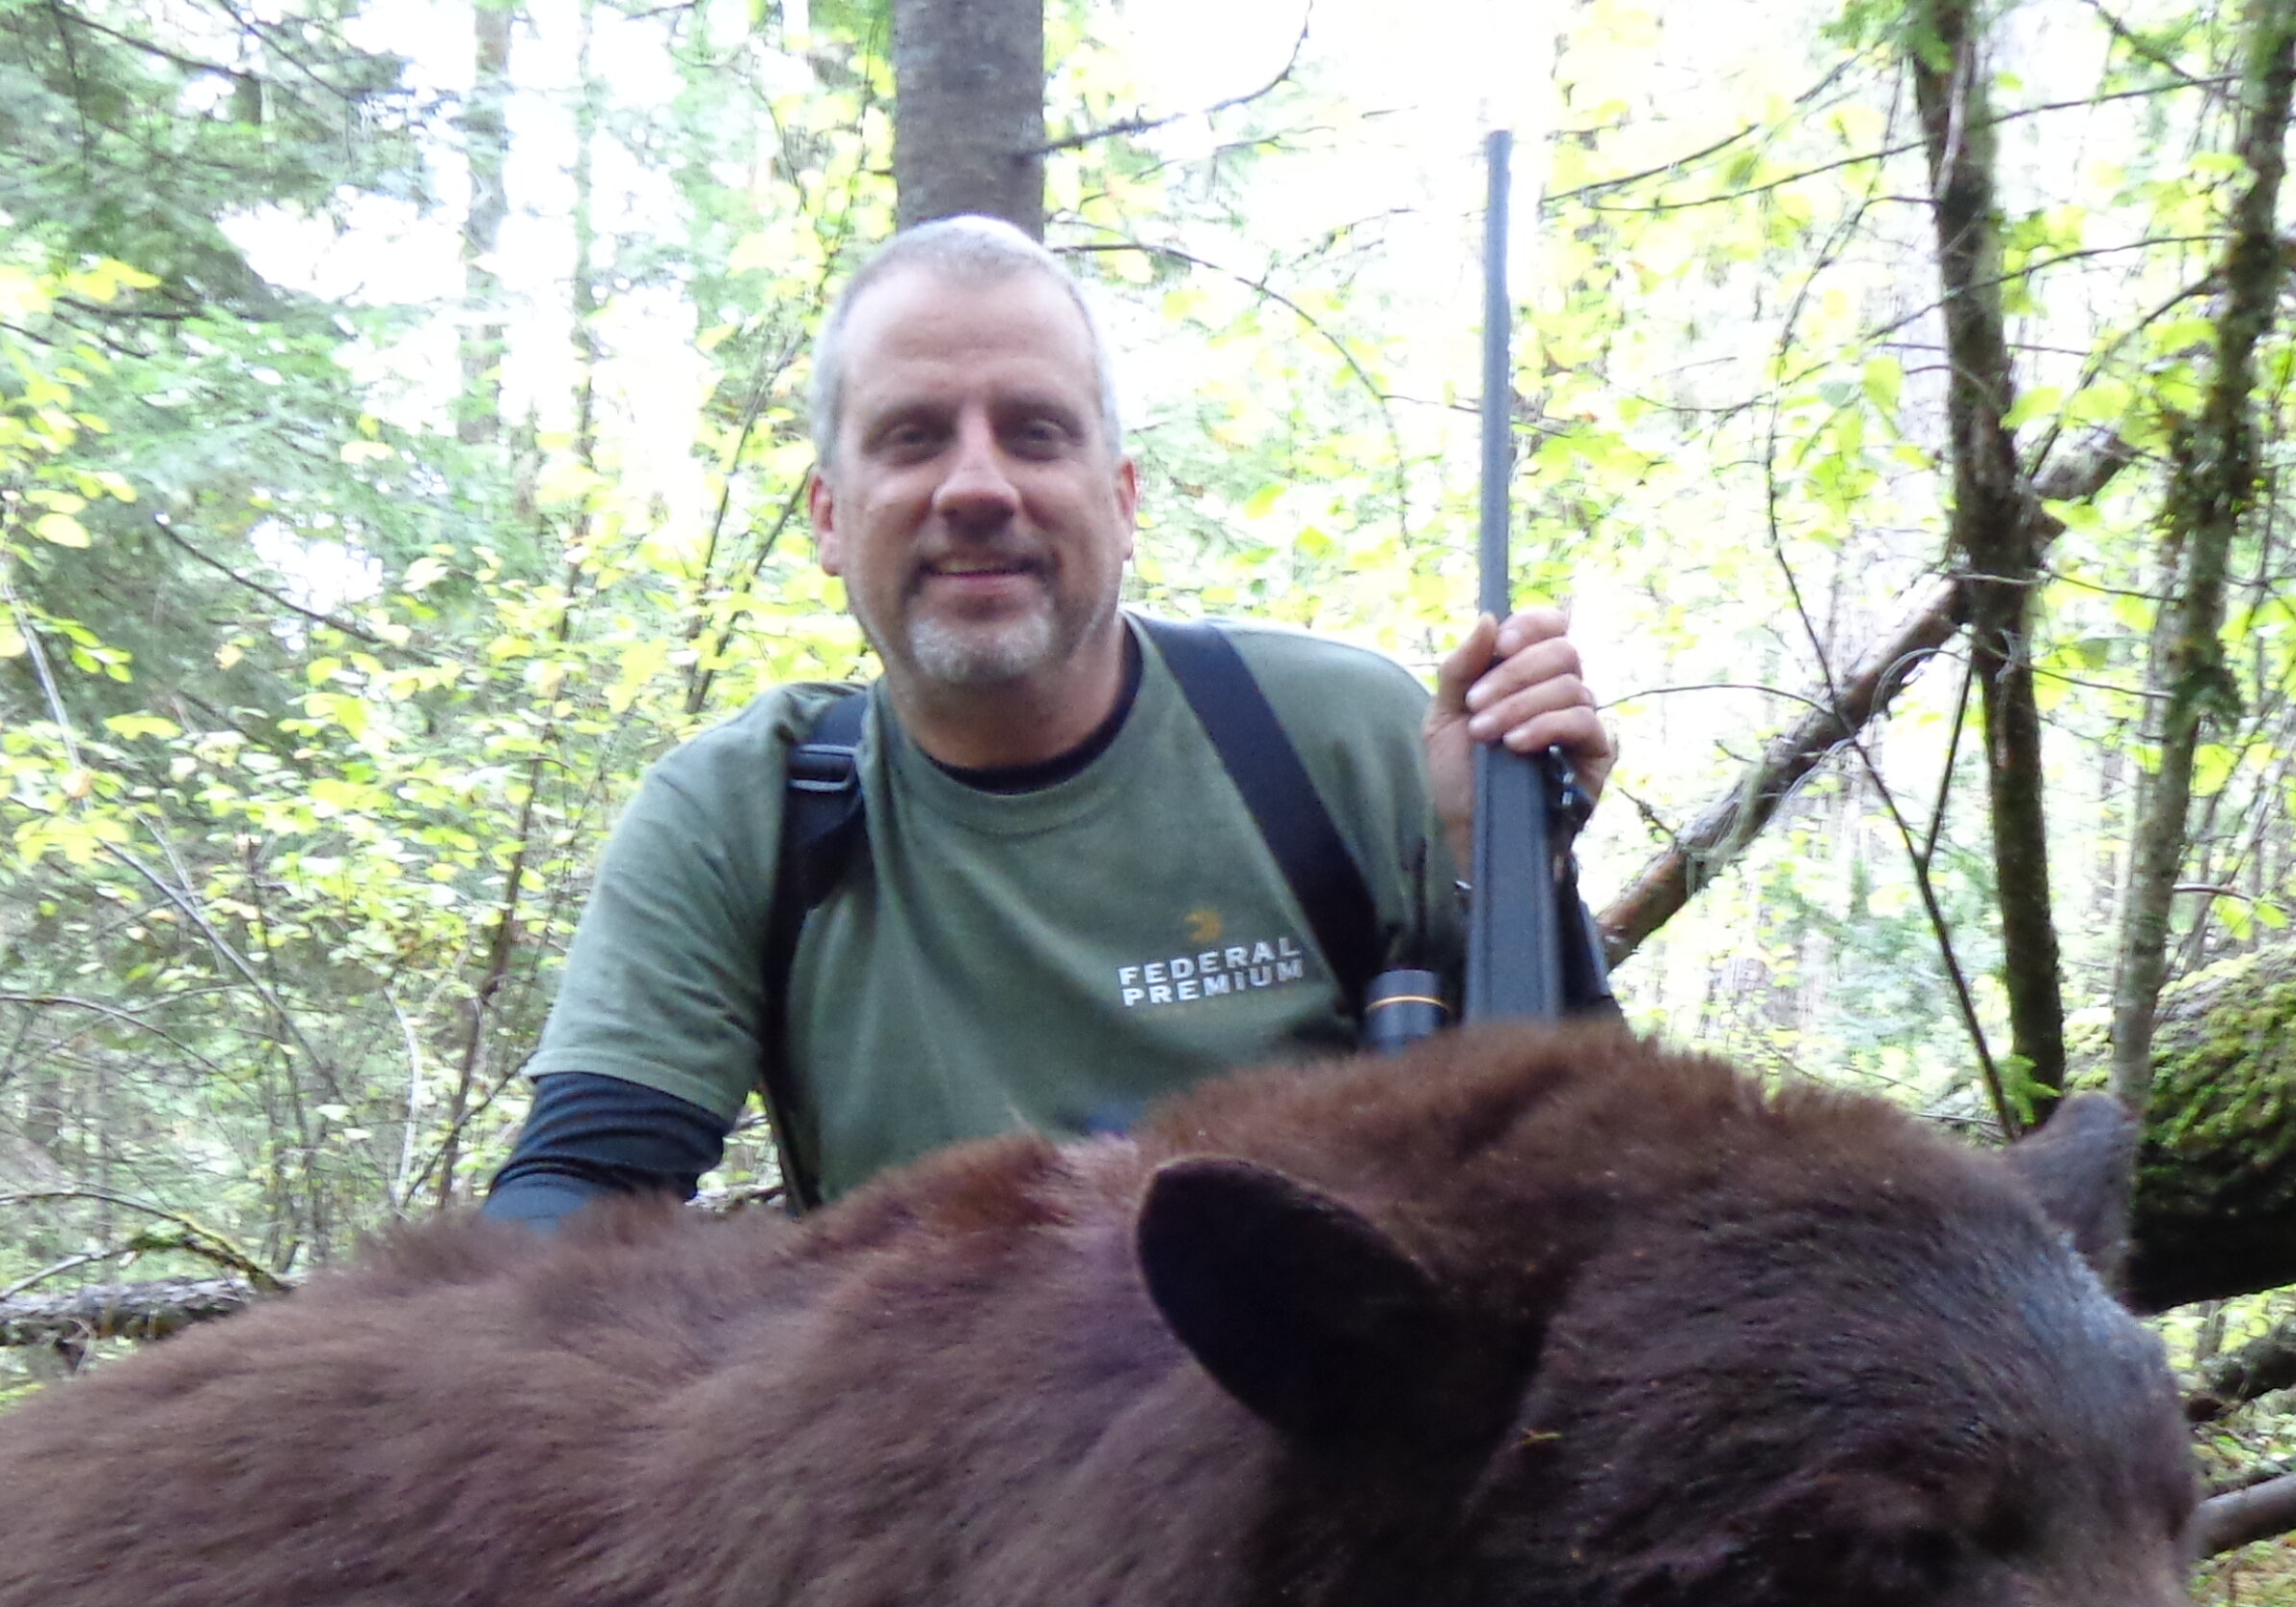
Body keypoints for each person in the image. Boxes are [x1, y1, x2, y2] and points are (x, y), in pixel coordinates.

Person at [488, 214, 1616, 1224]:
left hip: (1325, 1423)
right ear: (830, 517)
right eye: (914, 436)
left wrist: (1515, 870)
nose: (977, 488)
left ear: (1122, 502)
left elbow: (1597, 1165)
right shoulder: (742, 812)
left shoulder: (1354, 740)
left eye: (1035, 432)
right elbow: (579, 1192)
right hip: (929, 1431)